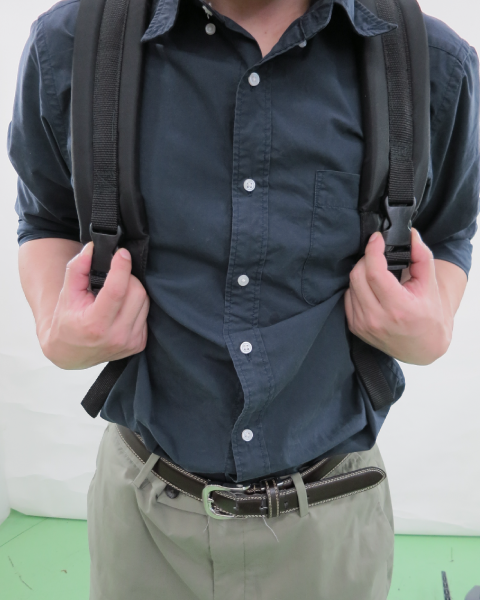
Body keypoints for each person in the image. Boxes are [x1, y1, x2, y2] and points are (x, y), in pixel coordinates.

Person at [8, 0, 479, 598]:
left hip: (332, 522)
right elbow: (46, 216)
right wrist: (55, 328)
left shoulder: (431, 61)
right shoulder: (71, 43)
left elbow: (447, 231)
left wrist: (434, 325)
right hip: (142, 522)